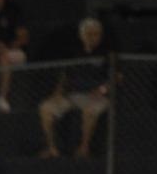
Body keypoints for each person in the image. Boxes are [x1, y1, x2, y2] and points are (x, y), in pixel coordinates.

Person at [38, 18, 110, 160]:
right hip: (72, 96)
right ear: (82, 35)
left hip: (97, 97)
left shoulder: (106, 54)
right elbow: (64, 76)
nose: (93, 37)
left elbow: (115, 78)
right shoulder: (73, 53)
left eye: (96, 34)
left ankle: (84, 148)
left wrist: (102, 90)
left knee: (89, 112)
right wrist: (57, 94)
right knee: (45, 108)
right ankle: (52, 148)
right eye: (89, 34)